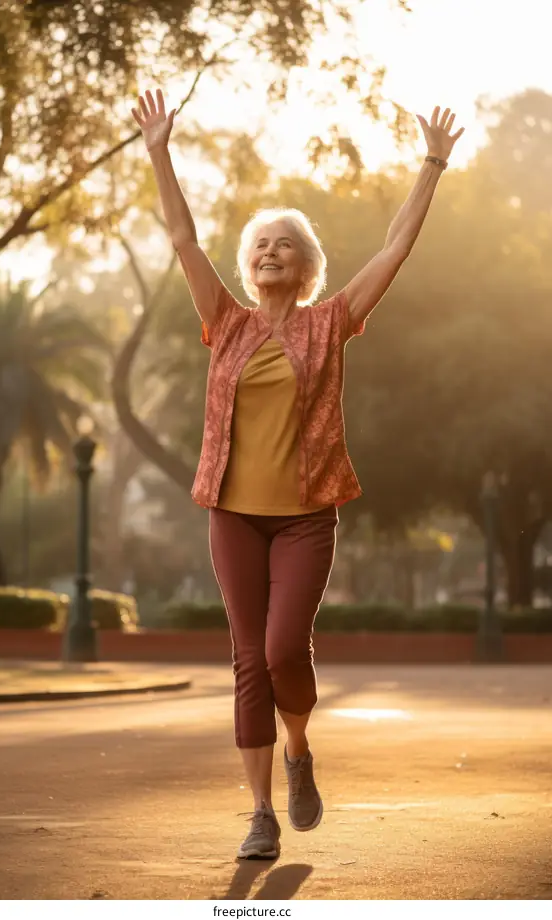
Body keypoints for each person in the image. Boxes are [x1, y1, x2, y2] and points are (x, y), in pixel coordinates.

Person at [131, 88, 464, 860]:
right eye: (260, 245)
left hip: (308, 514)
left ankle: (299, 752)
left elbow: (394, 249)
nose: (270, 250)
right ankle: (259, 814)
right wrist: (158, 149)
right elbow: (181, 236)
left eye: (285, 243)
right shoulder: (226, 321)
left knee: (285, 650)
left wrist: (433, 164)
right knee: (249, 657)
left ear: (306, 264)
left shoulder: (330, 323)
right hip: (233, 514)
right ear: (248, 267)